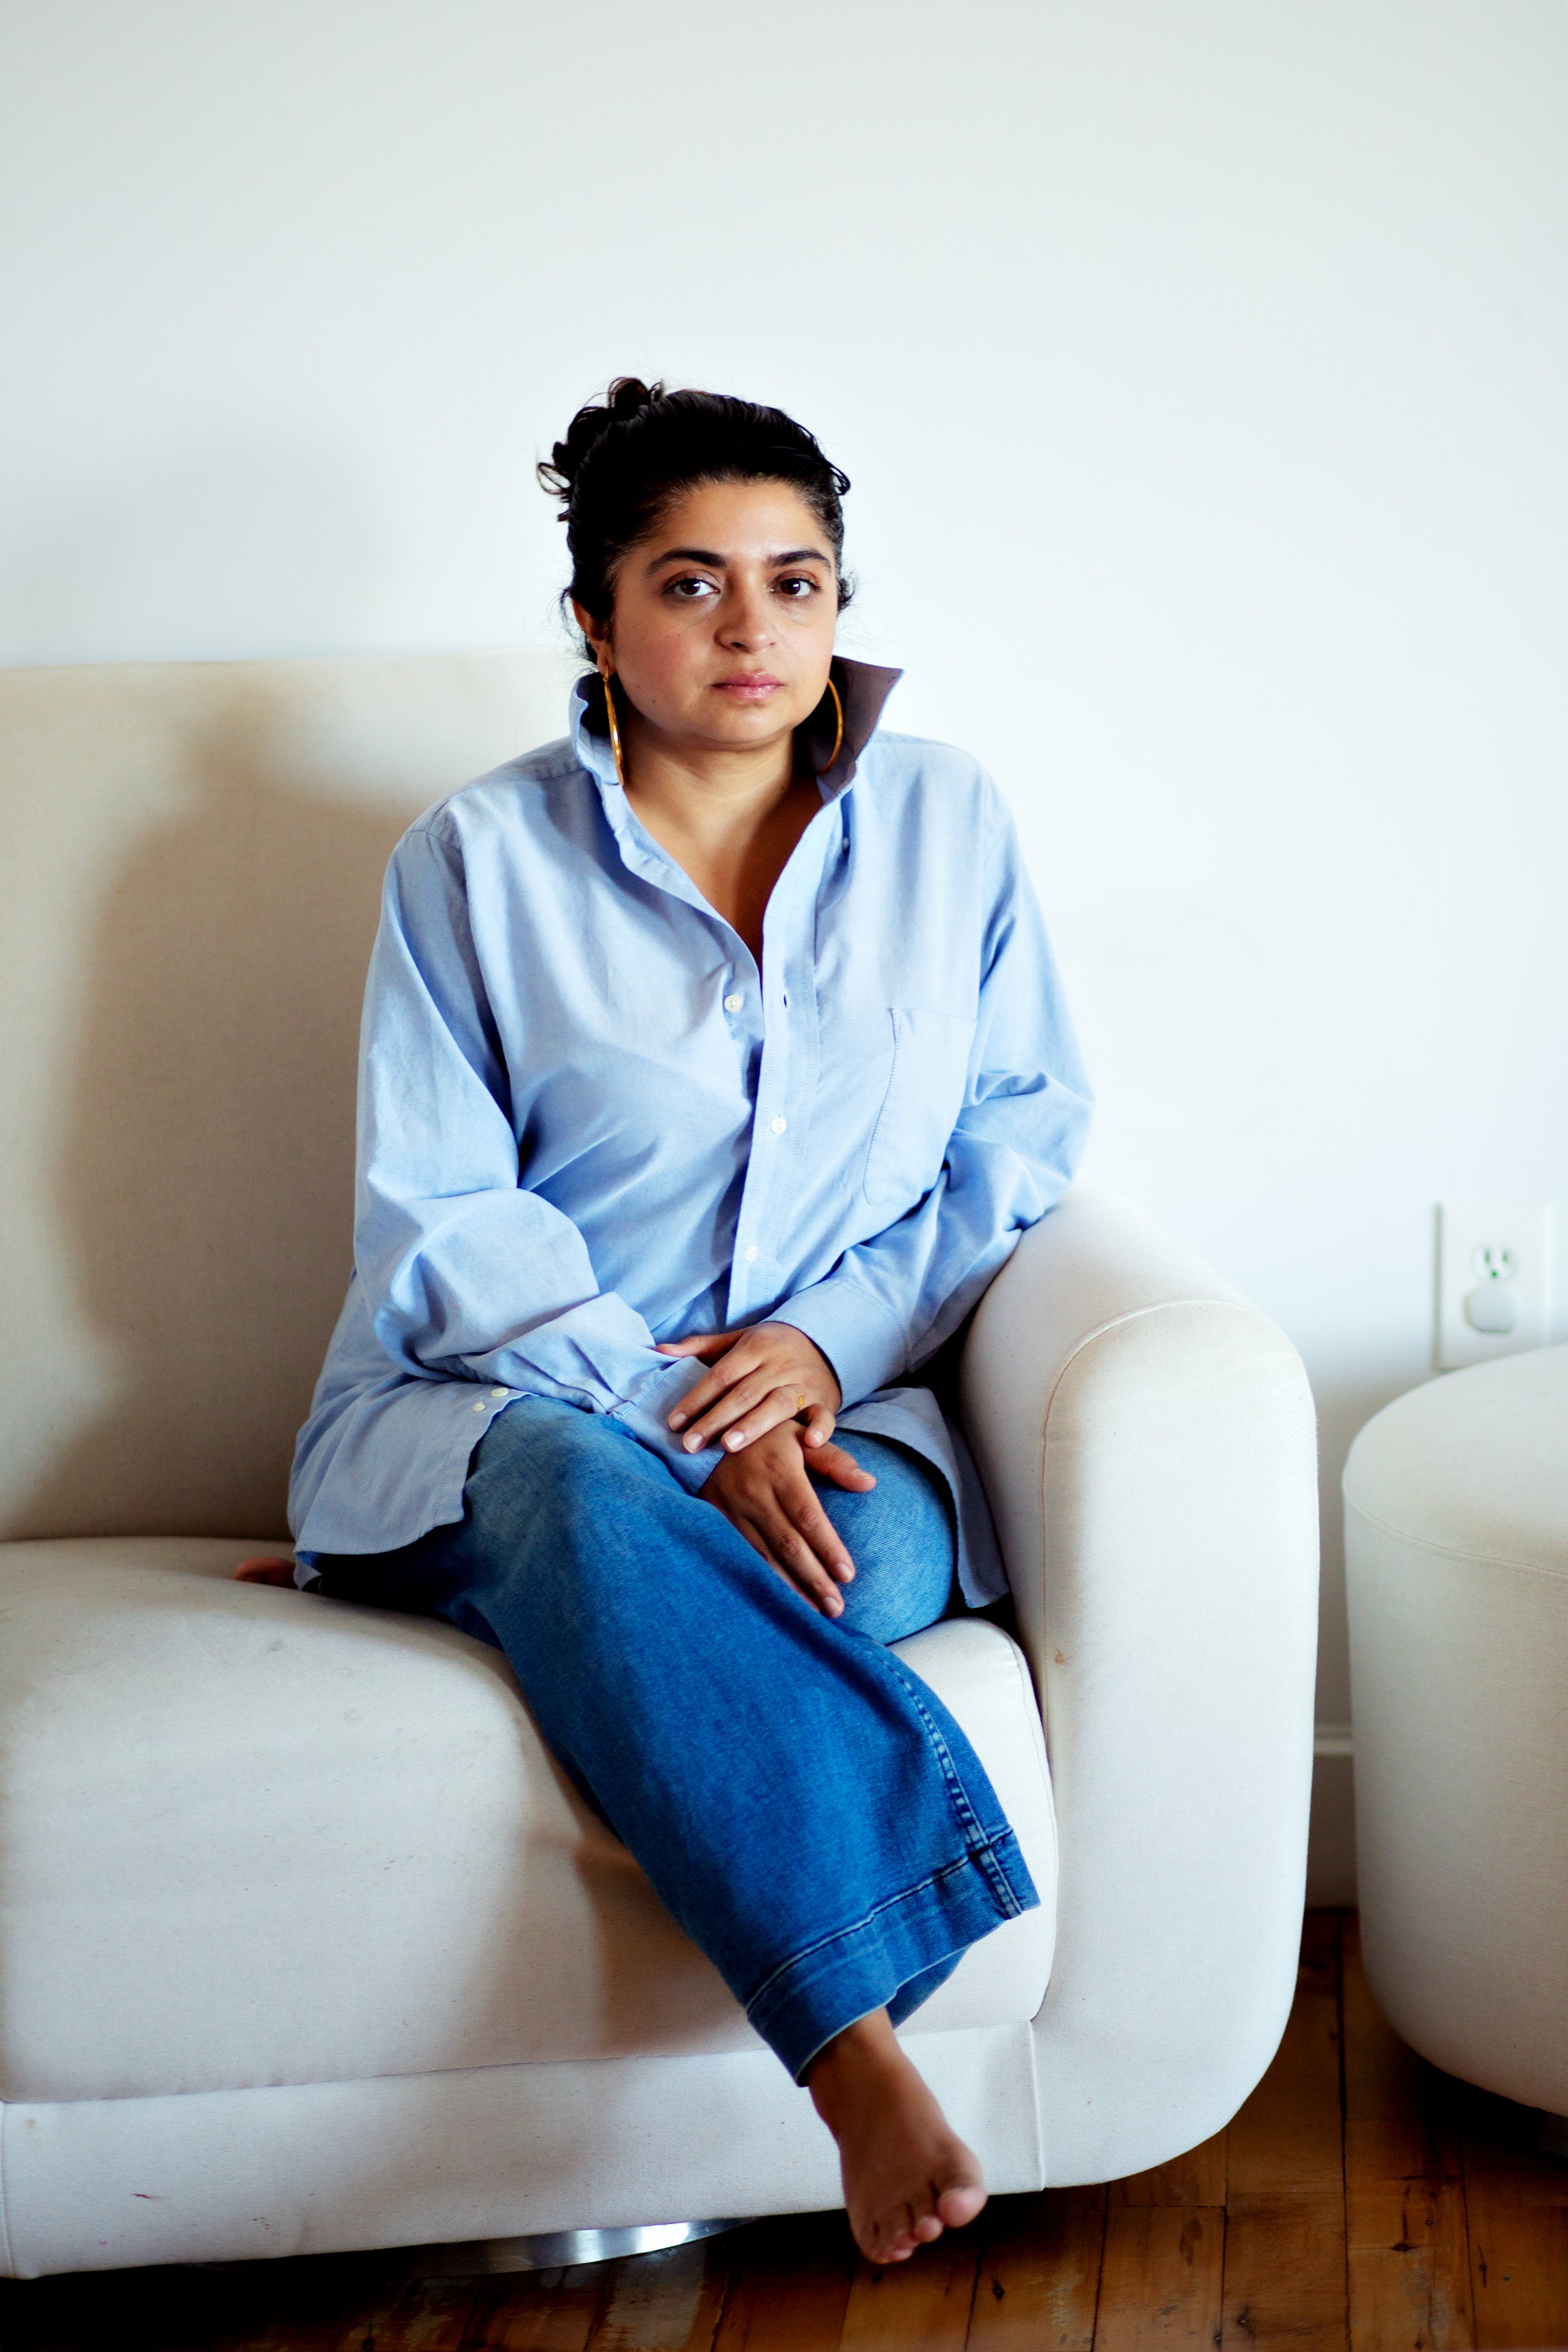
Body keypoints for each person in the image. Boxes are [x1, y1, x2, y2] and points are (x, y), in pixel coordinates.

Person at [281, 379, 1092, 2264]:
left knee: (850, 1562)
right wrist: (675, 1426)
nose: (753, 630)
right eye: (691, 582)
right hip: (515, 1409)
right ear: (594, 619)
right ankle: (851, 2048)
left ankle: (543, 1589)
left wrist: (823, 1348)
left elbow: (1017, 1132)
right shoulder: (474, 862)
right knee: (571, 1493)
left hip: (839, 1421)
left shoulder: (948, 823)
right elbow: (435, 1215)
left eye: (796, 581)